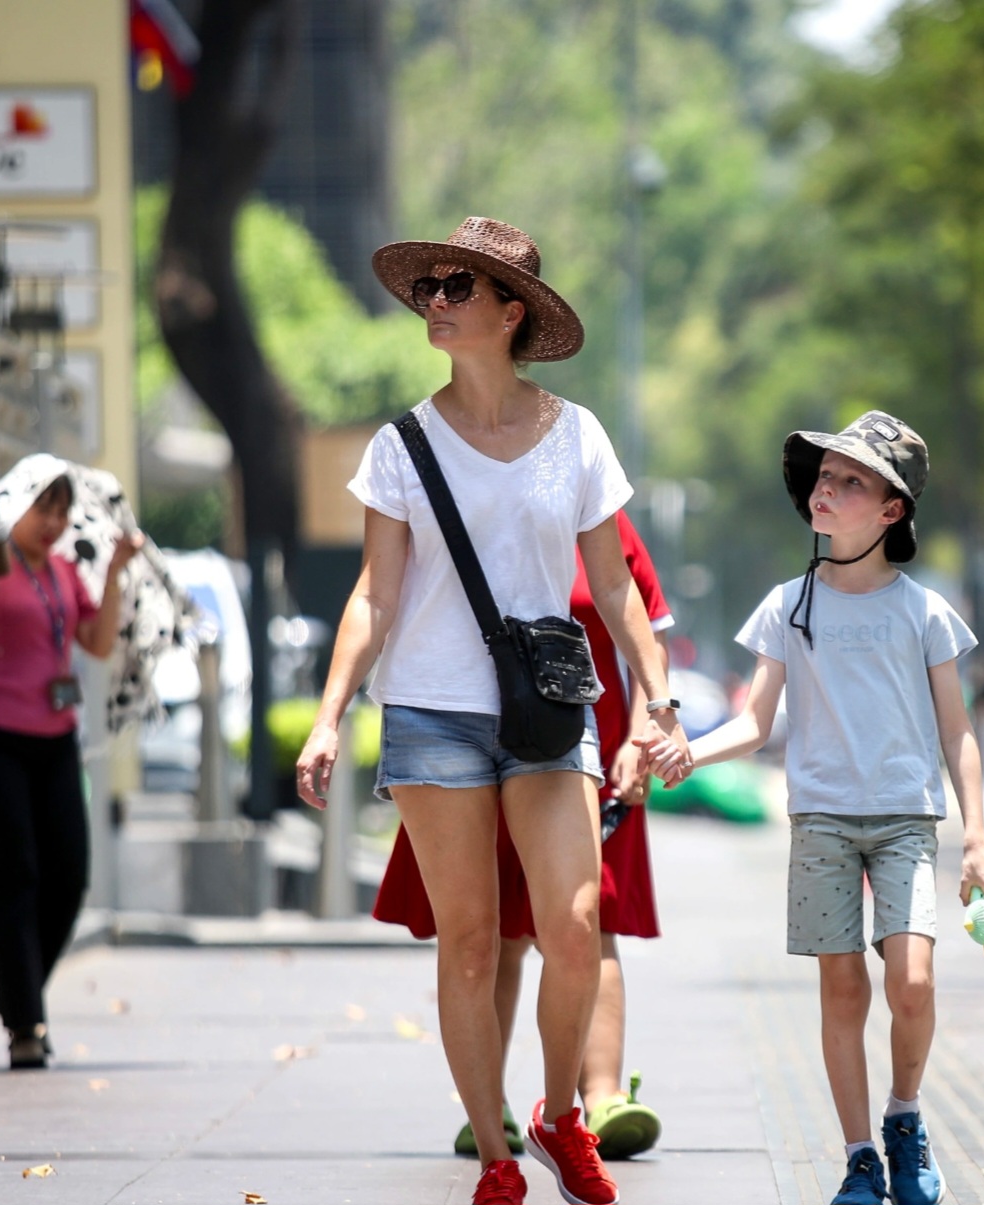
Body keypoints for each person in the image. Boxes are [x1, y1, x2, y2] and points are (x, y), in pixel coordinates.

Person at [294, 217, 686, 1205]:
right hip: (431, 712)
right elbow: (375, 592)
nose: (434, 301)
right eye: (427, 286)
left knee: (576, 921)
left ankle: (560, 1112)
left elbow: (617, 584)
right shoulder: (400, 446)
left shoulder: (577, 435)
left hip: (547, 709)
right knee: (468, 939)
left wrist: (658, 700)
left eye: (456, 286)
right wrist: (331, 713)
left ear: (513, 312)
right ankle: (497, 1157)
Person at [647, 411, 984, 1205]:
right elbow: (754, 721)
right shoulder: (786, 604)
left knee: (911, 981)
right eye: (824, 476)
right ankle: (858, 1156)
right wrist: (688, 751)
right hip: (820, 819)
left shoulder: (923, 611)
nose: (826, 489)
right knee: (841, 988)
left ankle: (903, 1115)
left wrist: (976, 838)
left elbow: (958, 730)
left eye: (850, 481)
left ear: (891, 510)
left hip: (906, 817)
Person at [369, 509, 672, 1159]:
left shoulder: (601, 512)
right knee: (492, 930)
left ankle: (599, 1098)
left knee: (588, 921)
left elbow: (646, 629)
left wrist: (643, 734)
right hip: (471, 744)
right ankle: (490, 1108)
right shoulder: (468, 504)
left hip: (582, 749)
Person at [0, 464, 142, 1070]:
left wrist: (113, 572)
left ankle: (15, 993)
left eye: (61, 512)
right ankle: (26, 1024)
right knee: (19, 872)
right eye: (43, 509)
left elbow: (98, 644)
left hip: (53, 739)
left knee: (69, 876)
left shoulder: (62, 571)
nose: (53, 523)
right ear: (16, 506)